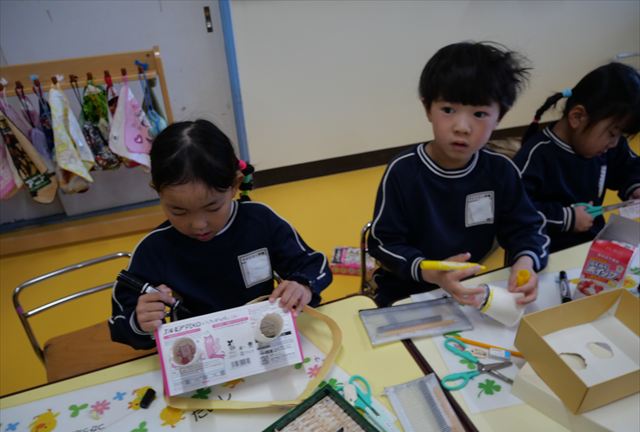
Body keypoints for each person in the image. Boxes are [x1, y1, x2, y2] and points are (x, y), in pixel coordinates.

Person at [109, 120, 332, 349]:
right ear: (158, 193)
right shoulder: (154, 249)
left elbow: (315, 265)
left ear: (235, 185)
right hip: (197, 351)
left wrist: (303, 285)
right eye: (178, 211)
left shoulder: (260, 222)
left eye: (213, 207)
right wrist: (139, 321)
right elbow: (118, 322)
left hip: (263, 339)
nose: (198, 225)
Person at [368, 41, 548, 307]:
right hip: (407, 288)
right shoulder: (404, 171)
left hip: (469, 286)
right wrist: (429, 272)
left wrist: (525, 262)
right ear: (428, 108)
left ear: (499, 118)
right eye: (448, 110)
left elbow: (525, 228)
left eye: (479, 113)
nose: (462, 127)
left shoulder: (500, 170)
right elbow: (384, 243)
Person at [514, 62, 640, 252]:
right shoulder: (536, 155)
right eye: (612, 133)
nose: (614, 143)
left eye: (620, 135)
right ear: (577, 117)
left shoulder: (607, 147)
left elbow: (629, 167)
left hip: (590, 246)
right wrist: (567, 218)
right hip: (541, 252)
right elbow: (515, 209)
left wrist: (635, 187)